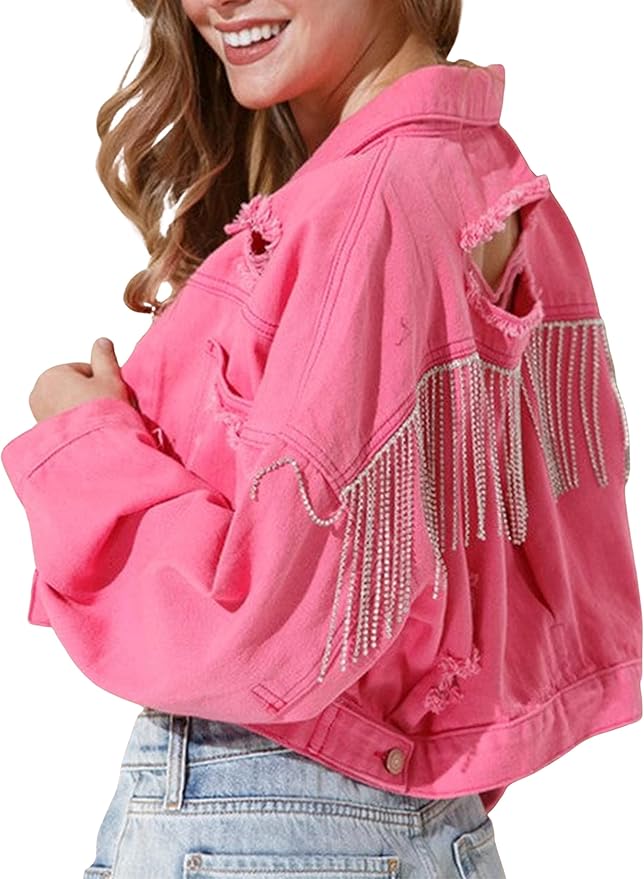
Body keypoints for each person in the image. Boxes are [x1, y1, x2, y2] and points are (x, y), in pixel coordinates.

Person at [2, 1, 642, 876]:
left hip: (263, 815)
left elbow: (250, 625)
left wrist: (83, 436)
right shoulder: (482, 172)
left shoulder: (369, 203)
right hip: (397, 822)